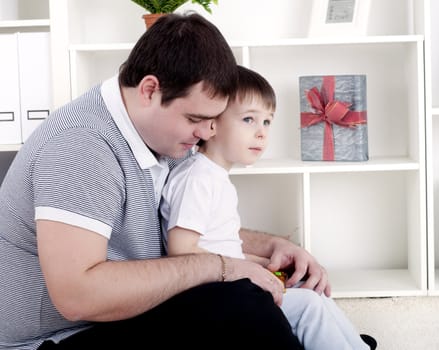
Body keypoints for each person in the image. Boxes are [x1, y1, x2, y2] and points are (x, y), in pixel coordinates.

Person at [0, 13, 332, 350]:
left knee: (272, 298)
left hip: (123, 315)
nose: (205, 134)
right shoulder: (81, 147)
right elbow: (78, 297)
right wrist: (221, 267)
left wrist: (274, 248)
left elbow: (188, 222)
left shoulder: (166, 137)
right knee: (242, 305)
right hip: (56, 337)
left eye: (211, 120)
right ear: (149, 90)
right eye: (195, 119)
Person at [161, 65, 376, 350]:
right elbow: (181, 249)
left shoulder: (214, 176)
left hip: (225, 280)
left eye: (267, 122)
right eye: (249, 119)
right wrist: (247, 268)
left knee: (312, 290)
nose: (261, 133)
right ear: (212, 124)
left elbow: (220, 245)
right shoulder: (198, 179)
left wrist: (263, 264)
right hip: (209, 292)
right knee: (308, 306)